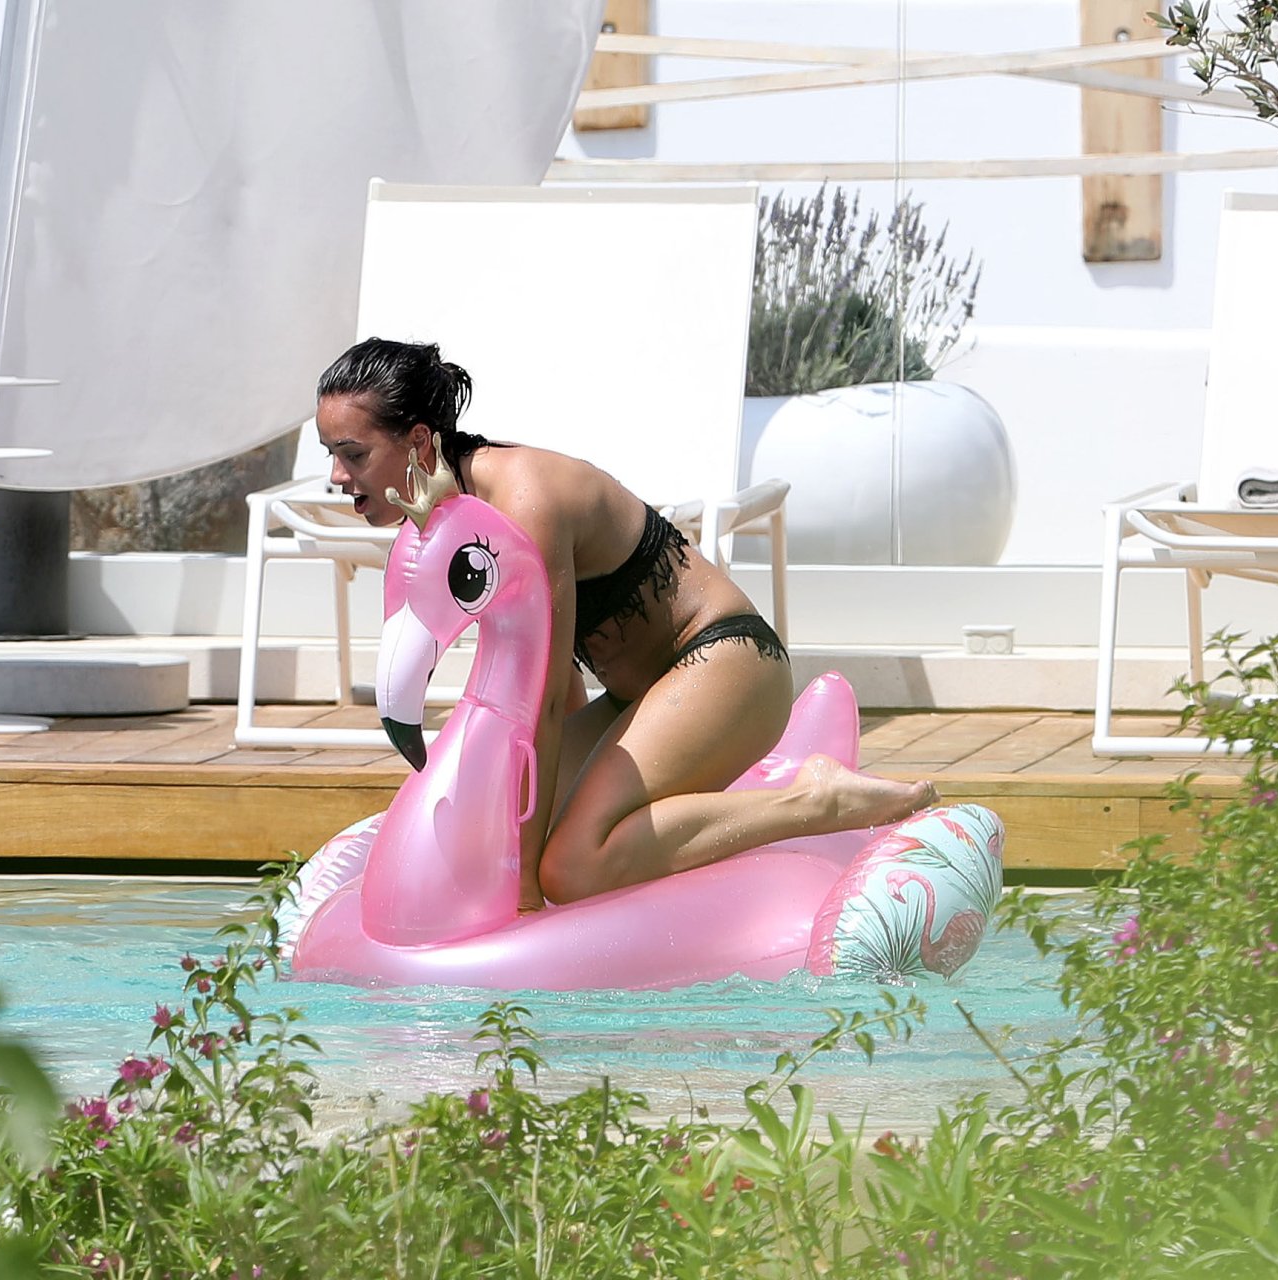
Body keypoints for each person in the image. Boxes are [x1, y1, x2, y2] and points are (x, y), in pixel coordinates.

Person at [315, 337, 938, 911]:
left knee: (571, 868)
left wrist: (529, 890)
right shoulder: (453, 514)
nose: (338, 477)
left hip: (727, 664)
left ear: (419, 442)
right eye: (332, 455)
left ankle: (815, 799)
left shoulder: (524, 499)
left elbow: (541, 695)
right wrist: (543, 818)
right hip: (638, 697)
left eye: (353, 454)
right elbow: (547, 683)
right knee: (509, 819)